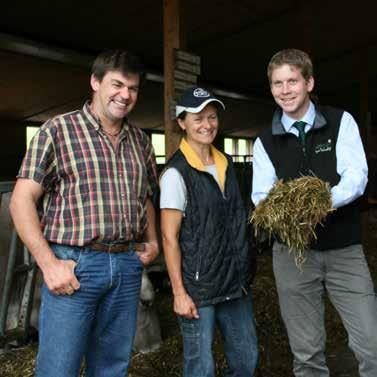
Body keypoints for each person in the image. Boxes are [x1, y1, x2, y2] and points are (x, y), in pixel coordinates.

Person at [9, 49, 159, 377]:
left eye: (133, 89)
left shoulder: (140, 141)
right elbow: (20, 200)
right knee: (58, 369)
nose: (125, 95)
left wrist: (153, 240)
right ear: (95, 81)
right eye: (117, 84)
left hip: (125, 265)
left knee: (112, 367)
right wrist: (48, 264)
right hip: (74, 266)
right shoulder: (57, 131)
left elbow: (146, 194)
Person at [252, 48, 377, 377]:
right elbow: (261, 196)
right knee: (306, 354)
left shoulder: (340, 121)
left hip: (344, 250)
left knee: (372, 343)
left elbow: (356, 177)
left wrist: (321, 204)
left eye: (292, 80)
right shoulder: (264, 141)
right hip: (294, 257)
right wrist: (290, 216)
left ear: (309, 82)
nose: (285, 90)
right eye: (278, 83)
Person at [160, 86, 258, 377]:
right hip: (198, 289)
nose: (207, 125)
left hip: (235, 281)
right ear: (182, 123)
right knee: (201, 367)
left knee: (246, 358)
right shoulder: (176, 174)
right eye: (198, 118)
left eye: (212, 117)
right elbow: (169, 237)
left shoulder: (227, 163)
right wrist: (179, 293)